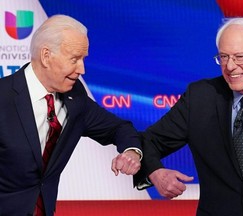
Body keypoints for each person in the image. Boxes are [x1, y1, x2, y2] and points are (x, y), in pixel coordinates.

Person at [135, 17, 243, 215]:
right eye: (223, 57)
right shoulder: (200, 97)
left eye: (240, 57)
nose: (230, 66)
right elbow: (148, 141)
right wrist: (155, 173)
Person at [0, 14, 143, 216]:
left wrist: (131, 152)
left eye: (83, 59)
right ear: (46, 56)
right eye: (74, 59)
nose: (82, 69)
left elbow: (118, 128)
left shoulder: (75, 98)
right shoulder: (3, 97)